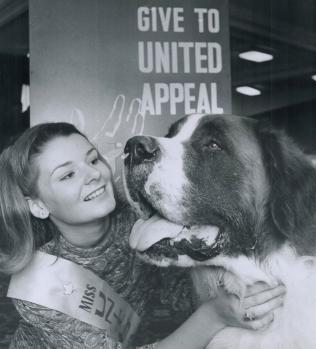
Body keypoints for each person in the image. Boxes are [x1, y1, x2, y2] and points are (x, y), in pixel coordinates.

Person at [0, 122, 285, 349]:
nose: (93, 175)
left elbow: (180, 293)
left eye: (92, 160)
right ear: (37, 205)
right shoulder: (37, 289)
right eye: (67, 176)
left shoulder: (137, 218)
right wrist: (215, 314)